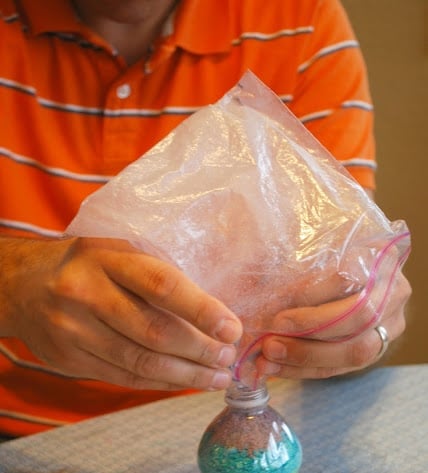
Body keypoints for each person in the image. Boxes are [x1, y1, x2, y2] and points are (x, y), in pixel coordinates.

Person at [0, 0, 411, 437]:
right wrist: (14, 285)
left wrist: (358, 328)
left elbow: (341, 280)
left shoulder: (297, 19)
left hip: (226, 424)